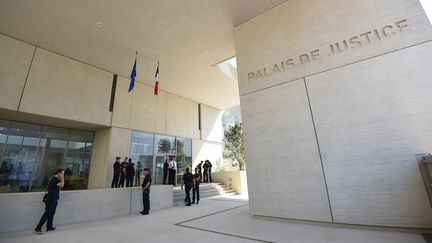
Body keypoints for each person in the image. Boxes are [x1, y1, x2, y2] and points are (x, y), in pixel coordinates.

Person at [35, 169, 64, 234]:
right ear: (58, 173)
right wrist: (62, 178)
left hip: (54, 199)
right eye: (62, 173)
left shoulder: (57, 179)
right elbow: (62, 185)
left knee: (51, 213)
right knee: (47, 214)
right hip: (50, 199)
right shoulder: (54, 179)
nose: (63, 175)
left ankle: (49, 226)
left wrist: (61, 178)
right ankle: (38, 228)